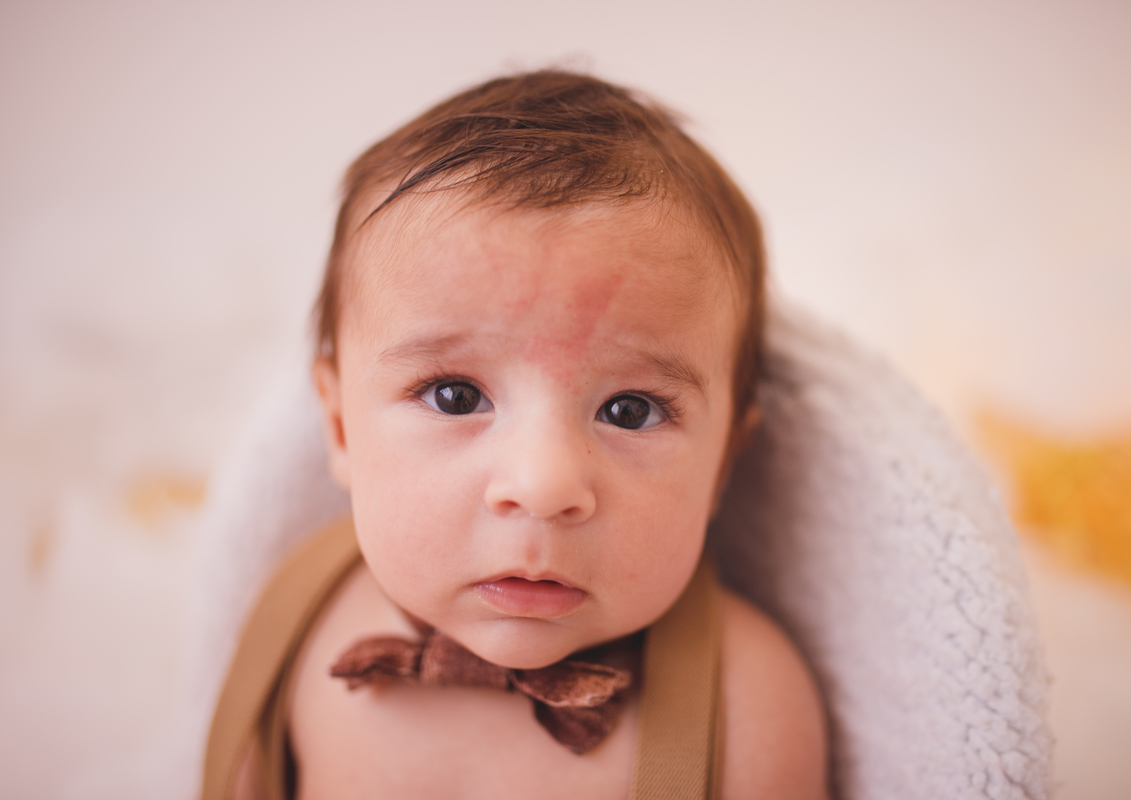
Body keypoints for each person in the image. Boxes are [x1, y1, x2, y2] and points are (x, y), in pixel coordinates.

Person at [205, 70, 828, 800]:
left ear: (723, 462)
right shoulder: (297, 616)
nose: (543, 486)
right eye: (455, 395)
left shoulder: (747, 703)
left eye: (629, 411)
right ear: (340, 428)